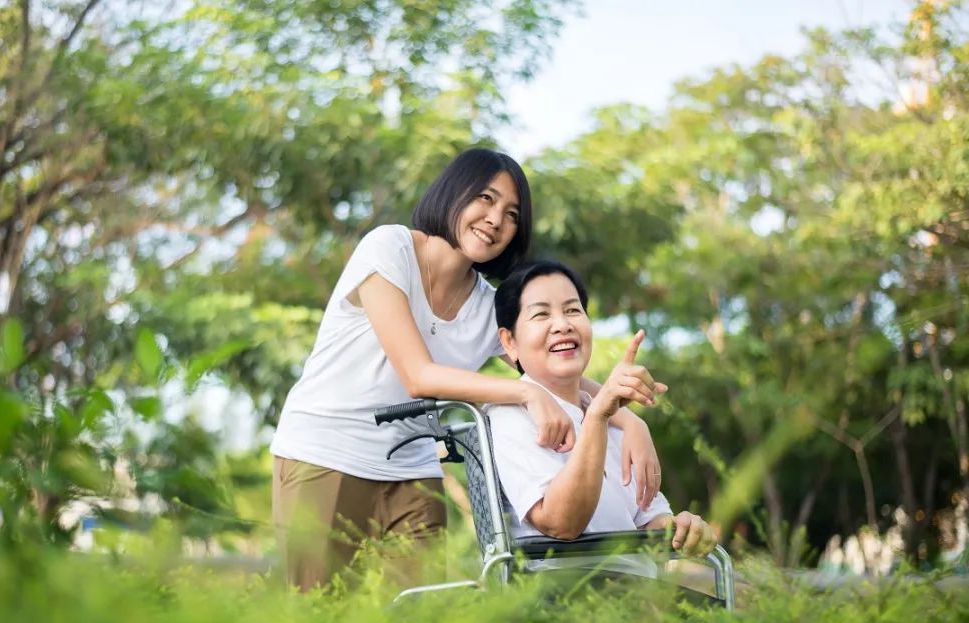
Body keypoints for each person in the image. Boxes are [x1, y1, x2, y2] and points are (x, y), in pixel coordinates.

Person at [270, 149, 664, 590]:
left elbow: (551, 367)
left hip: (411, 468)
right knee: (319, 610)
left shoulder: (484, 305)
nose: (496, 219)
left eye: (511, 214)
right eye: (485, 198)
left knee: (421, 616)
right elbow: (418, 375)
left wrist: (625, 419)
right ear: (452, 194)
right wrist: (525, 394)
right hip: (327, 453)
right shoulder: (389, 248)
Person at [487, 259, 716, 569]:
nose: (562, 324)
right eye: (541, 314)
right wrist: (597, 418)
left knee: (746, 591)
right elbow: (560, 523)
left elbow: (648, 521)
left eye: (572, 310)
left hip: (640, 591)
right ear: (509, 342)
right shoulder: (510, 416)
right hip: (568, 598)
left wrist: (683, 529)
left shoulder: (613, 418)